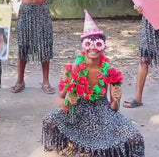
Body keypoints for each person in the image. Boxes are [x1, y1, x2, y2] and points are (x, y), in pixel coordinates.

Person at [42, 10, 144, 156]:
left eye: (98, 43)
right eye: (89, 43)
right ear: (84, 46)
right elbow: (60, 99)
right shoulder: (73, 68)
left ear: (103, 46)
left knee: (133, 136)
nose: (93, 48)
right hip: (78, 109)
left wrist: (117, 98)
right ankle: (75, 144)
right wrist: (68, 103)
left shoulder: (109, 71)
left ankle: (84, 147)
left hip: (102, 111)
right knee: (49, 120)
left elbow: (114, 108)